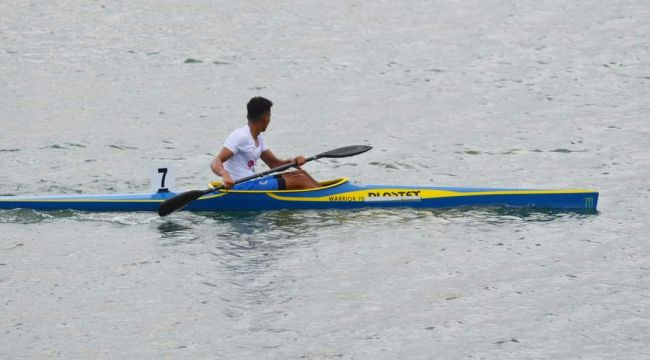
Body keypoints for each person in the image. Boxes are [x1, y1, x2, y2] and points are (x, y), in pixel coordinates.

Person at [210, 97, 321, 191]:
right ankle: (328, 199)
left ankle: (327, 193)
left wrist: (292, 162)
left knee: (302, 174)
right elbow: (216, 161)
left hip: (253, 181)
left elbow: (274, 164)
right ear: (266, 118)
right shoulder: (240, 136)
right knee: (299, 179)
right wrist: (225, 175)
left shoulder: (258, 137)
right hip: (241, 186)